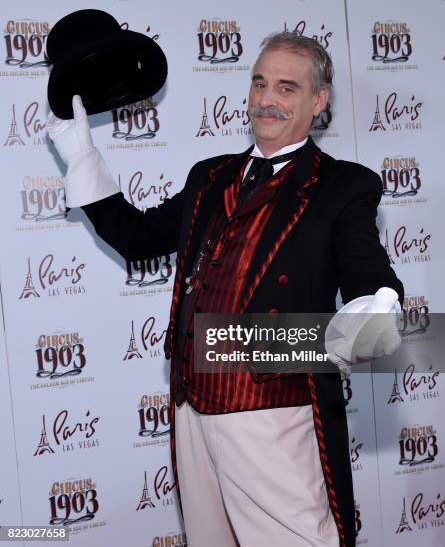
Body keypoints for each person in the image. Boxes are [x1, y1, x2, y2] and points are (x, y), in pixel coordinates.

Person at [48, 32, 404, 547]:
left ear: (318, 100)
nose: (266, 100)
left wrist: (374, 311)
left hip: (273, 414)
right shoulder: (210, 176)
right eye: (259, 84)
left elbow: (368, 279)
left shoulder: (344, 185)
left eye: (286, 88)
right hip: (192, 410)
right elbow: (138, 237)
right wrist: (80, 154)